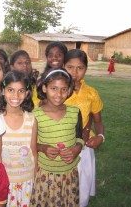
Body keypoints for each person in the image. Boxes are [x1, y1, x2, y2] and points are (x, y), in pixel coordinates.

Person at [30, 68, 84, 207]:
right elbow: (31, 143)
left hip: (69, 174)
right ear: (44, 88)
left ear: (69, 90)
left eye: (63, 89)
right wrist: (43, 148)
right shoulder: (35, 115)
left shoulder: (75, 112)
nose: (59, 94)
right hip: (45, 174)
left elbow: (80, 135)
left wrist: (77, 148)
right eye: (53, 88)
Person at [64, 49, 105, 207]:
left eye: (80, 68)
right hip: (59, 147)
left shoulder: (91, 94)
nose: (75, 72)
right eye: (70, 67)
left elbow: (99, 121)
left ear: (86, 69)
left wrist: (100, 137)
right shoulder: (55, 91)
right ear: (63, 66)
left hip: (84, 148)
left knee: (81, 192)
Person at [0, 70, 37, 206]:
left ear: (27, 93)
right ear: (2, 91)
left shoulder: (31, 119)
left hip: (26, 182)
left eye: (21, 91)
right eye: (10, 90)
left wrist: (35, 177)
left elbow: (34, 151)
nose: (16, 96)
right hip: (2, 183)